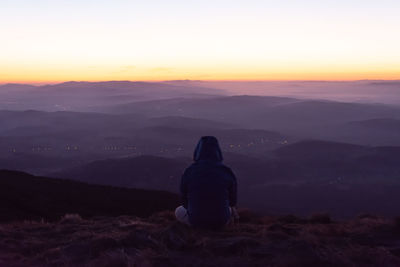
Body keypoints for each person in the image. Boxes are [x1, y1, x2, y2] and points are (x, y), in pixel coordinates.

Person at [175, 136, 239, 229]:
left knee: (178, 211)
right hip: (220, 221)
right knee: (230, 209)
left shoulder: (189, 171)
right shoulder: (226, 171)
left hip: (196, 221)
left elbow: (184, 199)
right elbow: (233, 201)